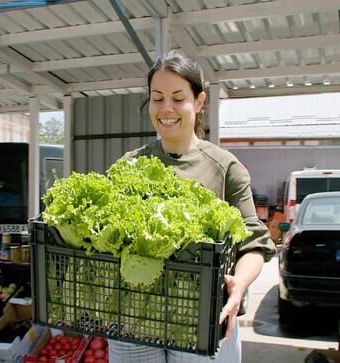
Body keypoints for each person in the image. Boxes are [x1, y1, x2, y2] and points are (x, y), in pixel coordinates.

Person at [108, 51, 277, 362]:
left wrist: (239, 284)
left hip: (202, 319)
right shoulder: (128, 165)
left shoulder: (225, 167)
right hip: (134, 320)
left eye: (178, 97)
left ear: (199, 102)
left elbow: (254, 244)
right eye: (157, 98)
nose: (166, 108)